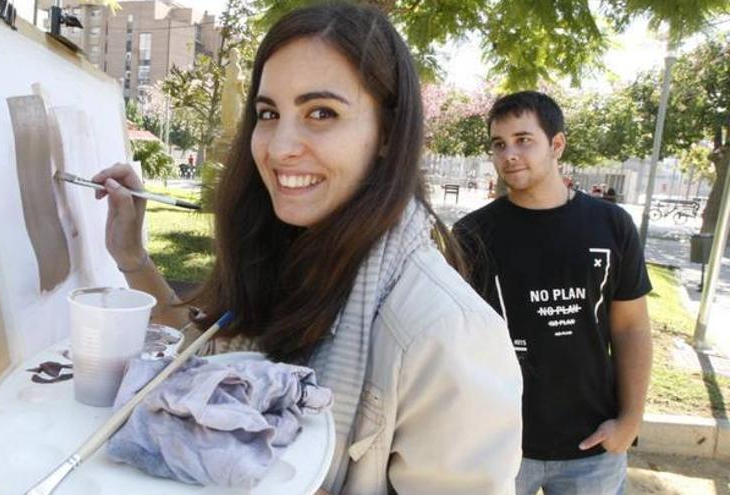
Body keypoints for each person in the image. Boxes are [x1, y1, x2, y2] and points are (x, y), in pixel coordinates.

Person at [92, 3, 522, 494]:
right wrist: (133, 257)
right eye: (269, 113)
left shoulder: (447, 334)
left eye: (322, 113)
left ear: (387, 132)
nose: (278, 148)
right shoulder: (287, 251)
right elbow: (205, 360)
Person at [453, 91, 653, 495]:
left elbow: (631, 328)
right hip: (500, 445)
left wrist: (630, 421)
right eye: (498, 143)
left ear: (556, 144)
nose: (509, 153)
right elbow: (456, 340)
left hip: (592, 446)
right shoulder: (472, 235)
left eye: (523, 139)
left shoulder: (611, 226)